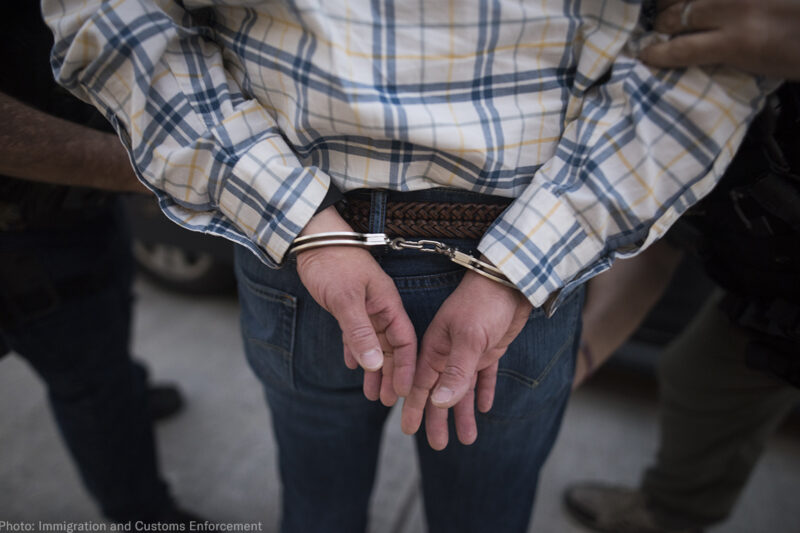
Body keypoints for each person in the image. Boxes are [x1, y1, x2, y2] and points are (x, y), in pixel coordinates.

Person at [42, 0, 777, 530]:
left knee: (319, 500)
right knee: (479, 515)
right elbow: (707, 73)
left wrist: (296, 219)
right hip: (513, 251)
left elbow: (112, 17)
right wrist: (525, 264)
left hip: (310, 244)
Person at [564, 2, 800, 531]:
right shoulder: (697, 46)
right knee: (702, 379)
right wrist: (578, 357)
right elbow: (658, 233)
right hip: (776, 278)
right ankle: (668, 514)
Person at [0, 3, 202, 524]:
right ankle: (142, 513)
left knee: (107, 339)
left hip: (78, 208)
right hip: (25, 232)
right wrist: (156, 169)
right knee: (91, 386)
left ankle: (122, 391)